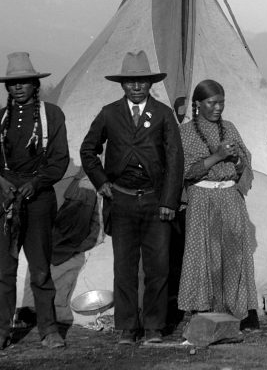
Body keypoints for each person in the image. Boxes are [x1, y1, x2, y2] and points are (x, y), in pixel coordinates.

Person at [79, 50, 184, 345]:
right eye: (130, 82)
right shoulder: (109, 113)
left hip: (155, 201)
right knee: (124, 266)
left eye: (142, 82)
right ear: (122, 84)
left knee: (158, 266)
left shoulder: (163, 114)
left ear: (150, 84)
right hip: (122, 200)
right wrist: (101, 182)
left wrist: (168, 201)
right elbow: (88, 150)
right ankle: (126, 326)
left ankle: (153, 326)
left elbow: (175, 160)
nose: (136, 87)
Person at [0, 52, 69, 350]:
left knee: (41, 268)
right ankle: (1, 332)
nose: (17, 88)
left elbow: (58, 161)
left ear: (34, 84)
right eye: (12, 83)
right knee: (3, 269)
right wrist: (2, 182)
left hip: (39, 198)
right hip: (5, 199)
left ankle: (49, 330)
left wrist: (36, 184)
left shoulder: (52, 116)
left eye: (24, 82)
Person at [177, 80, 257, 322]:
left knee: (233, 252)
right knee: (202, 253)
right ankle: (202, 310)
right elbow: (186, 172)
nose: (218, 108)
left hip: (230, 196)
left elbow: (245, 165)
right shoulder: (186, 132)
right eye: (212, 103)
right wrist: (218, 156)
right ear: (198, 104)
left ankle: (235, 310)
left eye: (221, 102)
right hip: (202, 198)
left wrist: (236, 161)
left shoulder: (230, 128)